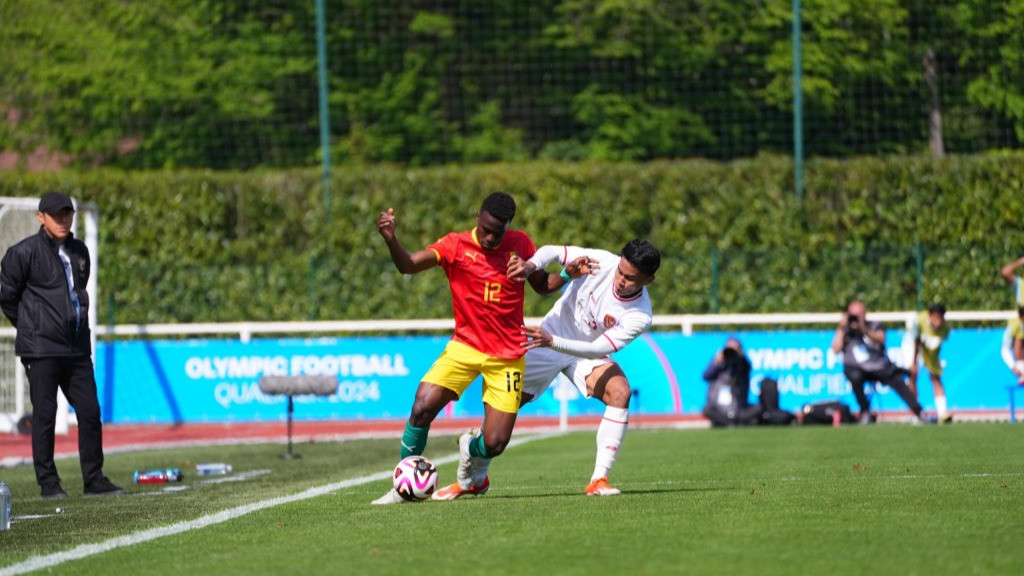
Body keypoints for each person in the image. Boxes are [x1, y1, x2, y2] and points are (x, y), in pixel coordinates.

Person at [371, 192, 561, 505]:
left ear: (508, 227)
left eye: (497, 233)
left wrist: (567, 273)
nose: (489, 237)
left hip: (507, 356)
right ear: (478, 217)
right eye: (485, 229)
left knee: (496, 443)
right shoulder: (455, 246)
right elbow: (407, 266)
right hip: (465, 347)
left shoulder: (521, 243)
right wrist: (391, 239)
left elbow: (541, 285)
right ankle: (402, 487)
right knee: (422, 406)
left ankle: (470, 447)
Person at [456, 239, 660, 497]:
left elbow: (597, 349)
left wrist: (554, 342)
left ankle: (598, 481)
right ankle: (474, 458)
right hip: (549, 340)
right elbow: (552, 251)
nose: (620, 279)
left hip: (580, 351)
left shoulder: (640, 315)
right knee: (502, 417)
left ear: (648, 280)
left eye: (630, 278)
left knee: (620, 392)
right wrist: (530, 266)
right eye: (621, 271)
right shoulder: (601, 261)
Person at [0, 191, 126, 499]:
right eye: (57, 215)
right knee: (45, 414)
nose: (64, 220)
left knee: (89, 411)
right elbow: (6, 296)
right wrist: (32, 328)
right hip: (40, 349)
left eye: (68, 214)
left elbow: (77, 294)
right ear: (41, 217)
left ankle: (94, 480)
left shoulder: (80, 251)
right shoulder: (22, 252)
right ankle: (49, 483)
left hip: (77, 349)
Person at [830, 300, 927, 424]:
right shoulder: (845, 331)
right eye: (853, 314)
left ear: (865, 314)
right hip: (857, 369)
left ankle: (919, 412)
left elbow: (881, 338)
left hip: (879, 367)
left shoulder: (874, 325)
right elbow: (835, 349)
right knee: (854, 376)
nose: (856, 317)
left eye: (859, 314)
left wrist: (864, 329)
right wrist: (841, 328)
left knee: (897, 379)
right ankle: (865, 411)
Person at [905, 303, 953, 423]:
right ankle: (917, 413)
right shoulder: (919, 321)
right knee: (913, 376)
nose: (938, 321)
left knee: (935, 378)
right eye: (935, 317)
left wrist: (934, 364)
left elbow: (938, 345)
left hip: (929, 348)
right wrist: (914, 362)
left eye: (940, 318)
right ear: (930, 315)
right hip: (912, 346)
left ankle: (942, 413)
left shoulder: (946, 328)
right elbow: (916, 342)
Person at [701, 336, 761, 427]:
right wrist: (717, 362)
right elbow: (706, 376)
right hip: (719, 406)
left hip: (738, 407)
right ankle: (731, 422)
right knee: (707, 409)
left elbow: (746, 368)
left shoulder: (742, 364)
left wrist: (739, 356)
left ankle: (728, 422)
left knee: (759, 408)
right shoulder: (719, 364)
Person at [1001, 306, 1024, 385]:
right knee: (1019, 339)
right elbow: (1005, 350)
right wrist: (1013, 367)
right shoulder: (1013, 328)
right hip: (1019, 365)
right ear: (1021, 317)